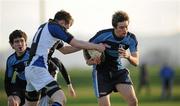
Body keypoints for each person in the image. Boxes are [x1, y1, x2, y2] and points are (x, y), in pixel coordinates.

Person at [25, 10, 106, 106]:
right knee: (61, 99)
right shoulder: (55, 28)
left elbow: (65, 50)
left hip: (30, 70)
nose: (66, 31)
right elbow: (75, 42)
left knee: (31, 104)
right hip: (38, 69)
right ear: (62, 22)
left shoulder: (46, 27)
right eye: (67, 28)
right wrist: (96, 46)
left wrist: (86, 45)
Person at [85, 11, 139, 106]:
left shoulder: (131, 38)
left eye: (126, 26)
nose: (125, 30)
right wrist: (88, 60)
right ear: (114, 27)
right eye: (121, 27)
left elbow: (136, 62)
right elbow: (86, 46)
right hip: (101, 72)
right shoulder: (103, 35)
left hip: (118, 71)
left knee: (133, 102)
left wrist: (128, 56)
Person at [39, 41, 76, 106]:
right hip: (43, 92)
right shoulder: (39, 63)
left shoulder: (56, 62)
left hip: (53, 89)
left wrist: (69, 86)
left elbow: (64, 72)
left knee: (60, 100)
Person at [4, 30, 29, 106]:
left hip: (34, 85)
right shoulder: (11, 60)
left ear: (26, 43)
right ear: (12, 45)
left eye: (22, 41)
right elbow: (7, 81)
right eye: (16, 42)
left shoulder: (33, 54)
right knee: (12, 103)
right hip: (20, 85)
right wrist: (10, 96)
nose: (20, 44)